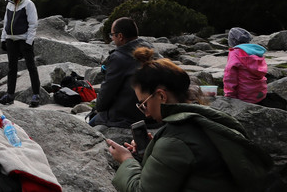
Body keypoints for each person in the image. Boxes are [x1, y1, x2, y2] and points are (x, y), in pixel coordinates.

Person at [106, 47, 271, 191]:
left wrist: (126, 160)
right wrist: (151, 152)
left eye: (144, 104)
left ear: (161, 96)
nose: (146, 113)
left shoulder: (174, 140)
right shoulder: (205, 118)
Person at [90, 17, 150, 128]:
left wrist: (98, 108)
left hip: (129, 116)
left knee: (91, 123)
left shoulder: (119, 57)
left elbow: (105, 96)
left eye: (112, 35)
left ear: (120, 36)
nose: (112, 38)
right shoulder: (150, 49)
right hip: (153, 112)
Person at [0, 0, 41, 107]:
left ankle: (36, 95)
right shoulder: (9, 4)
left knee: (31, 67)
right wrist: (3, 38)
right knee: (12, 68)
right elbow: (6, 22)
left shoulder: (28, 4)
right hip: (11, 39)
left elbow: (33, 24)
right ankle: (10, 95)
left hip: (24, 40)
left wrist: (29, 41)